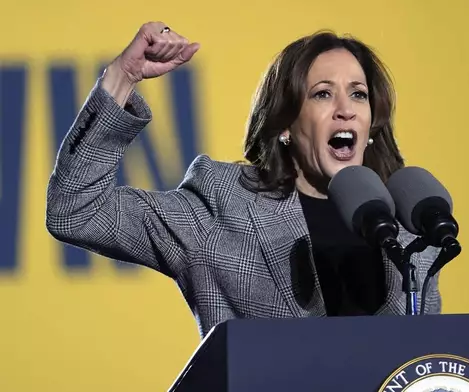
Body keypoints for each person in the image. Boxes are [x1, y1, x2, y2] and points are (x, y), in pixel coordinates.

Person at [45, 21, 442, 338]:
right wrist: (121, 77)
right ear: (286, 123)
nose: (345, 111)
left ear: (372, 122)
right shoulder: (222, 206)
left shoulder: (406, 232)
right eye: (322, 94)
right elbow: (77, 212)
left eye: (358, 95)